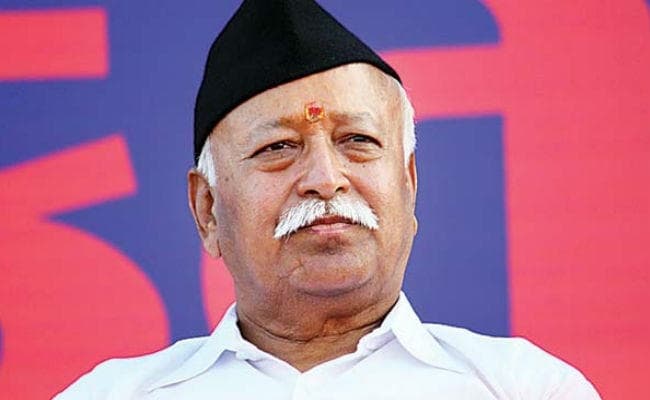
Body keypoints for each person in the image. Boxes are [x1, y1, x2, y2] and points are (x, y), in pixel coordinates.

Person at [55, 0, 601, 398]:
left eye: (357, 141)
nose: (325, 178)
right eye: (278, 148)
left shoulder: (524, 388)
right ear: (208, 211)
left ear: (409, 183)